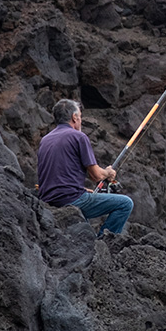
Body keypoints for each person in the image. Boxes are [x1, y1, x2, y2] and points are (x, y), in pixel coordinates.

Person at [37, 99, 134, 238]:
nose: (80, 120)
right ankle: (106, 242)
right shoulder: (78, 137)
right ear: (74, 117)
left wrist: (81, 190)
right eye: (80, 117)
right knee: (125, 203)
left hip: (48, 200)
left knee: (85, 221)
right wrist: (108, 173)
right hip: (70, 200)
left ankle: (91, 243)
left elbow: (56, 175)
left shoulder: (45, 139)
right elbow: (96, 176)